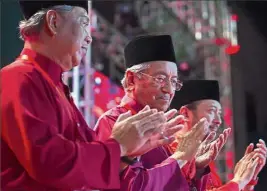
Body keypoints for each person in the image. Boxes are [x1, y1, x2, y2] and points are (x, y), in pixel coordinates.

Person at [1, 1, 178, 190]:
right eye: (84, 23)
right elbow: (51, 164)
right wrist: (119, 145)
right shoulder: (19, 78)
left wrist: (128, 152)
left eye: (174, 81)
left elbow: (85, 165)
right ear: (53, 22)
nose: (89, 38)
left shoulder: (55, 86)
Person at [94, 34, 226, 190]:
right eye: (160, 78)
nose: (169, 90)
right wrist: (181, 157)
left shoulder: (162, 128)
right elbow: (133, 186)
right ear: (131, 80)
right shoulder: (114, 122)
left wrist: (196, 168)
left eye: (173, 81)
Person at [170, 80, 267, 190]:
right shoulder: (169, 153)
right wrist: (239, 181)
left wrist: (247, 182)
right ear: (185, 113)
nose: (218, 121)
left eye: (219, 113)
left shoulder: (204, 159)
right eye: (211, 111)